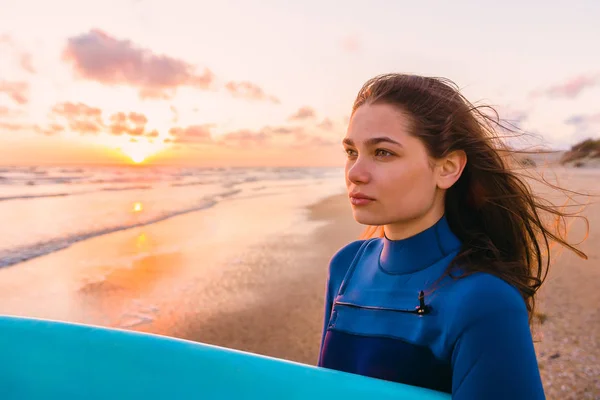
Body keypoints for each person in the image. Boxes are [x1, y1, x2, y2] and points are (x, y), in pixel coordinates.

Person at [317, 73, 589, 399]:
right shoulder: (346, 266)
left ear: (447, 168)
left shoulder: (486, 301)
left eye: (383, 153)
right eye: (351, 152)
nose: (356, 173)